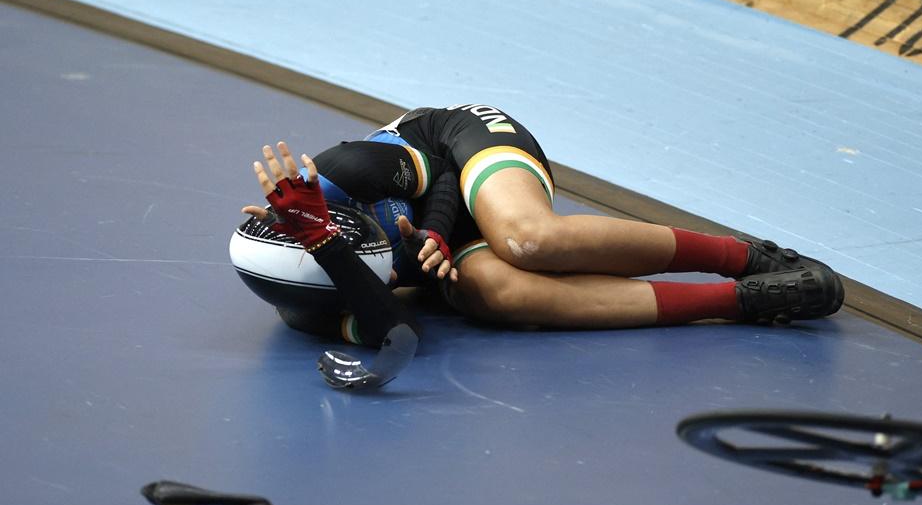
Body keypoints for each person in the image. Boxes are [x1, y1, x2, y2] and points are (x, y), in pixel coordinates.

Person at [243, 104, 844, 347]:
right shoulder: (304, 303)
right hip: (439, 244)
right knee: (499, 293)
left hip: (458, 143)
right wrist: (333, 250)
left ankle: (740, 255)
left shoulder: (341, 174)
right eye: (332, 251)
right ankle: (740, 301)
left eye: (333, 232)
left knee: (527, 240)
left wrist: (433, 233)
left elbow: (448, 171)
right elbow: (399, 332)